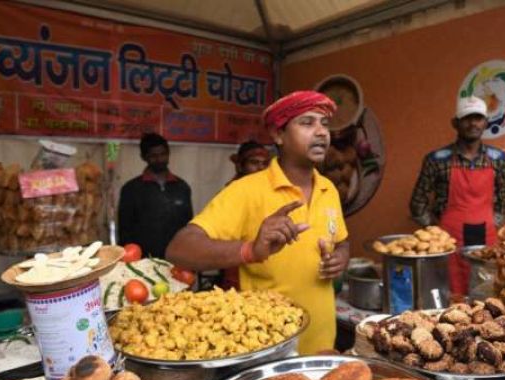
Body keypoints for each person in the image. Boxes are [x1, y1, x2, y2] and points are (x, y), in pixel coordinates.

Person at [166, 91, 350, 355]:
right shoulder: (246, 190)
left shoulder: (328, 188)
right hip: (270, 350)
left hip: (322, 346)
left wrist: (341, 257)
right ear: (278, 135)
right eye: (307, 123)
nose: (321, 132)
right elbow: (179, 249)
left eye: (324, 123)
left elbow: (343, 241)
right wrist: (250, 250)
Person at [409, 96, 505, 296]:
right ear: (455, 123)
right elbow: (417, 204)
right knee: (449, 295)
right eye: (467, 118)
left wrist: (491, 223)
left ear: (485, 123)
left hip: (486, 240)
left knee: (484, 293)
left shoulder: (498, 159)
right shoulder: (437, 160)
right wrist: (435, 232)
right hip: (448, 241)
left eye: (478, 118)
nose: (473, 123)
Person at [118, 133, 193, 259]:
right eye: (153, 156)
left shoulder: (182, 187)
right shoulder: (131, 189)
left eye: (163, 154)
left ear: (168, 154)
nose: (159, 159)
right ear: (143, 157)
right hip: (144, 262)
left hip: (177, 260)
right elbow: (125, 231)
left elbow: (188, 225)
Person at [217, 140, 274, 291]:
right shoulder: (230, 192)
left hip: (267, 262)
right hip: (237, 261)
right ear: (240, 165)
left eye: (264, 163)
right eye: (254, 163)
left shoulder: (273, 190)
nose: (260, 168)